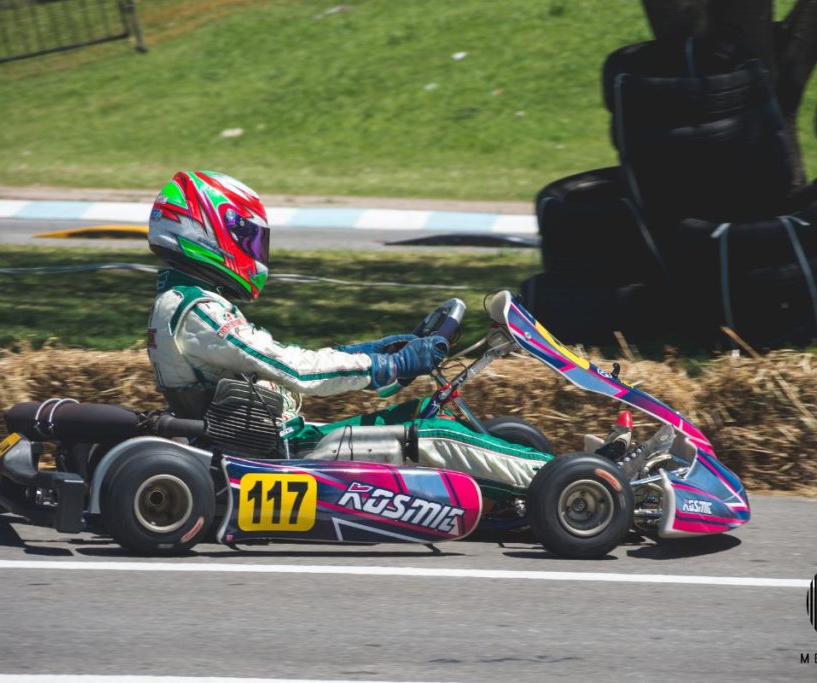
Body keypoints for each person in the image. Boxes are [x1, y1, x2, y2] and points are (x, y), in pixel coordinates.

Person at [146, 170, 553, 500]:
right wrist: (386, 364)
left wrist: (370, 352)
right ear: (204, 231)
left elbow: (274, 364)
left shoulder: (187, 302)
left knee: (423, 414)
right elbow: (295, 371)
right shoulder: (197, 310)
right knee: (436, 437)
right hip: (283, 456)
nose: (253, 250)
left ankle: (526, 482)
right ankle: (563, 482)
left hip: (276, 443)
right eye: (246, 238)